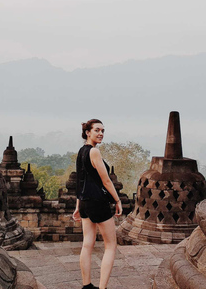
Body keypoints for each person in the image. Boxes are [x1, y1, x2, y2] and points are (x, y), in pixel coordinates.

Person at [73, 119, 122, 289]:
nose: (100, 133)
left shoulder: (81, 152)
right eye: (97, 130)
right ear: (88, 132)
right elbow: (106, 181)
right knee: (110, 245)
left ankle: (87, 286)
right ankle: (102, 288)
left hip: (86, 203)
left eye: (103, 130)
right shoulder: (94, 152)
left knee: (87, 244)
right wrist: (117, 200)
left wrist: (78, 206)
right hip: (97, 202)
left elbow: (80, 181)